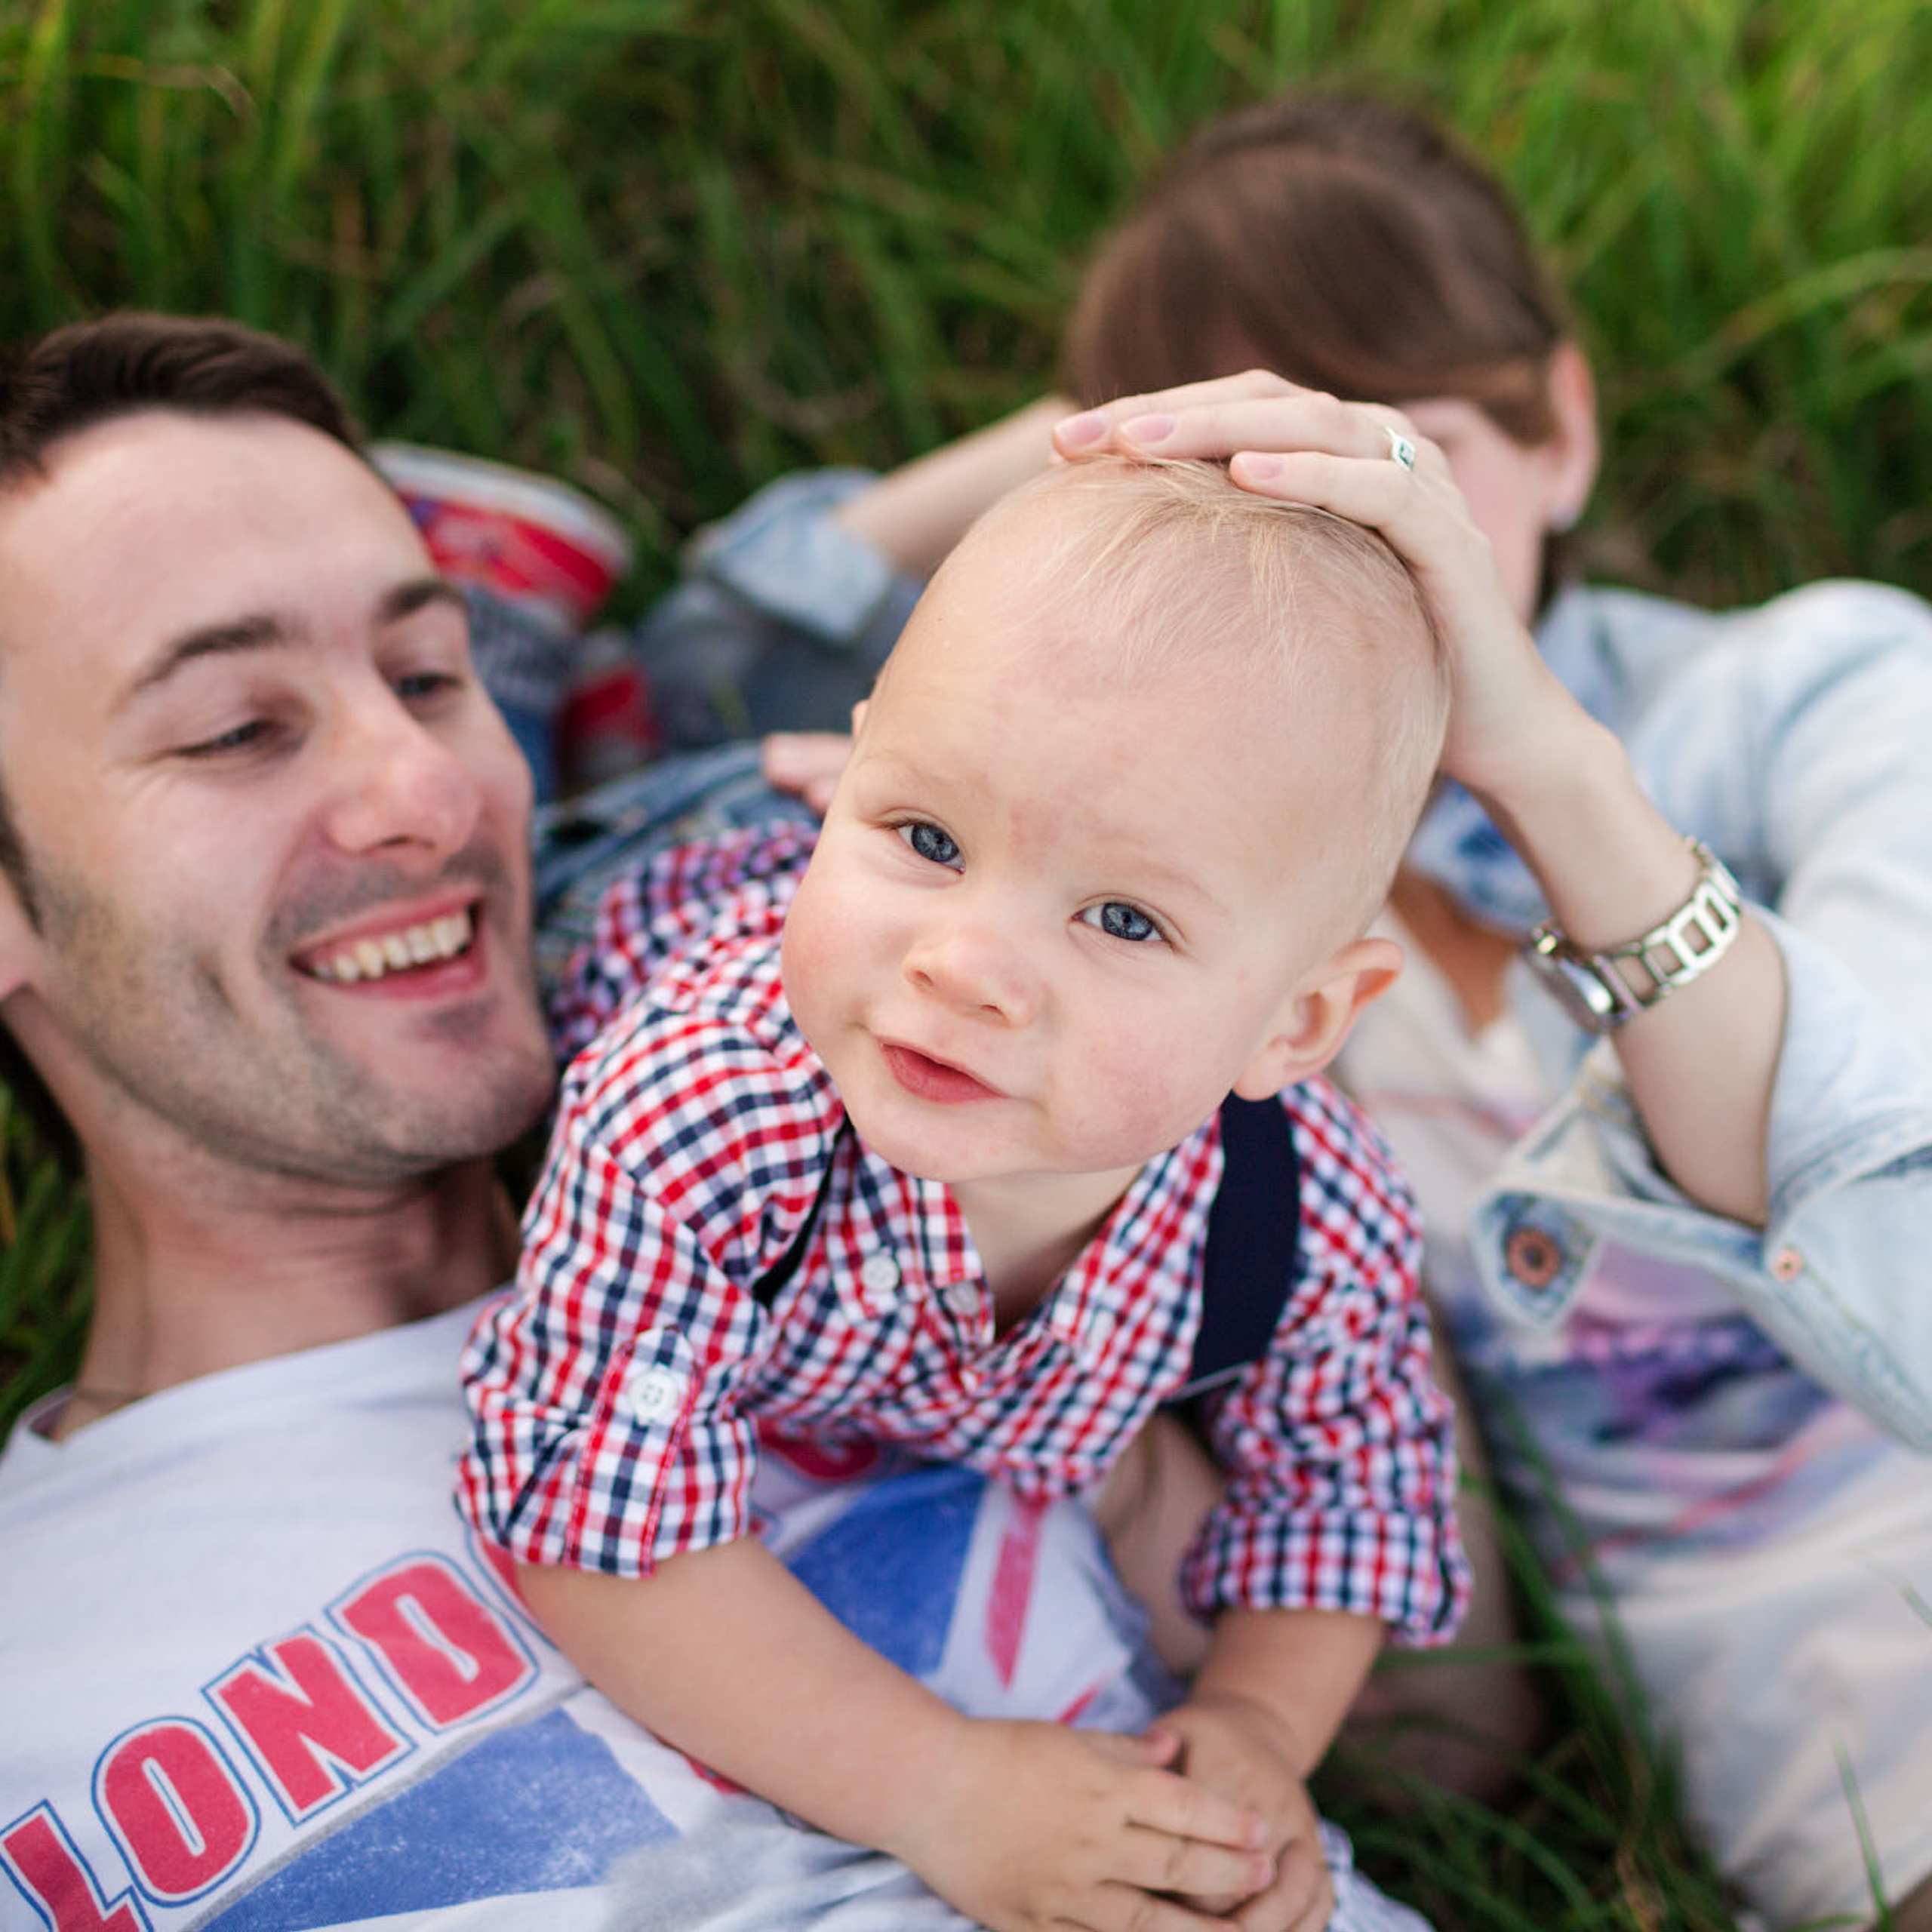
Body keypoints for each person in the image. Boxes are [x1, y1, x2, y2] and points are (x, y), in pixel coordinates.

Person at [628, 93, 1932, 1930]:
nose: (1358, 538)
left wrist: (1538, 759)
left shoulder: (1823, 691)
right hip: (1792, 1676)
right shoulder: (1139, 897)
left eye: (1409, 463)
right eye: (1272, 468)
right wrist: (1114, 452)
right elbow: (680, 678)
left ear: (1561, 426)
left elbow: (1869, 1193)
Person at [0, 314, 1435, 1932]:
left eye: (429, 675)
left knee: (711, 777)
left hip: (760, 898)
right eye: (233, 728)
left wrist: (1253, 1724)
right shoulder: (711, 1111)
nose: (431, 787)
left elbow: (1416, 1633)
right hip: (705, 904)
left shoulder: (1199, 1198)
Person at [458, 454, 1467, 1932]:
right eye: (925, 836)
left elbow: (1351, 1480)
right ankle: (510, 633)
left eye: (1122, 918)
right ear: (860, 780)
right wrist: (941, 1787)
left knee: (1458, 1733)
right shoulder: (703, 1115)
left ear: (1296, 1023)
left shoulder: (1304, 1217)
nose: (965, 962)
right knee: (497, 840)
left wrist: (1256, 1722)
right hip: (652, 878)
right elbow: (590, 1520)